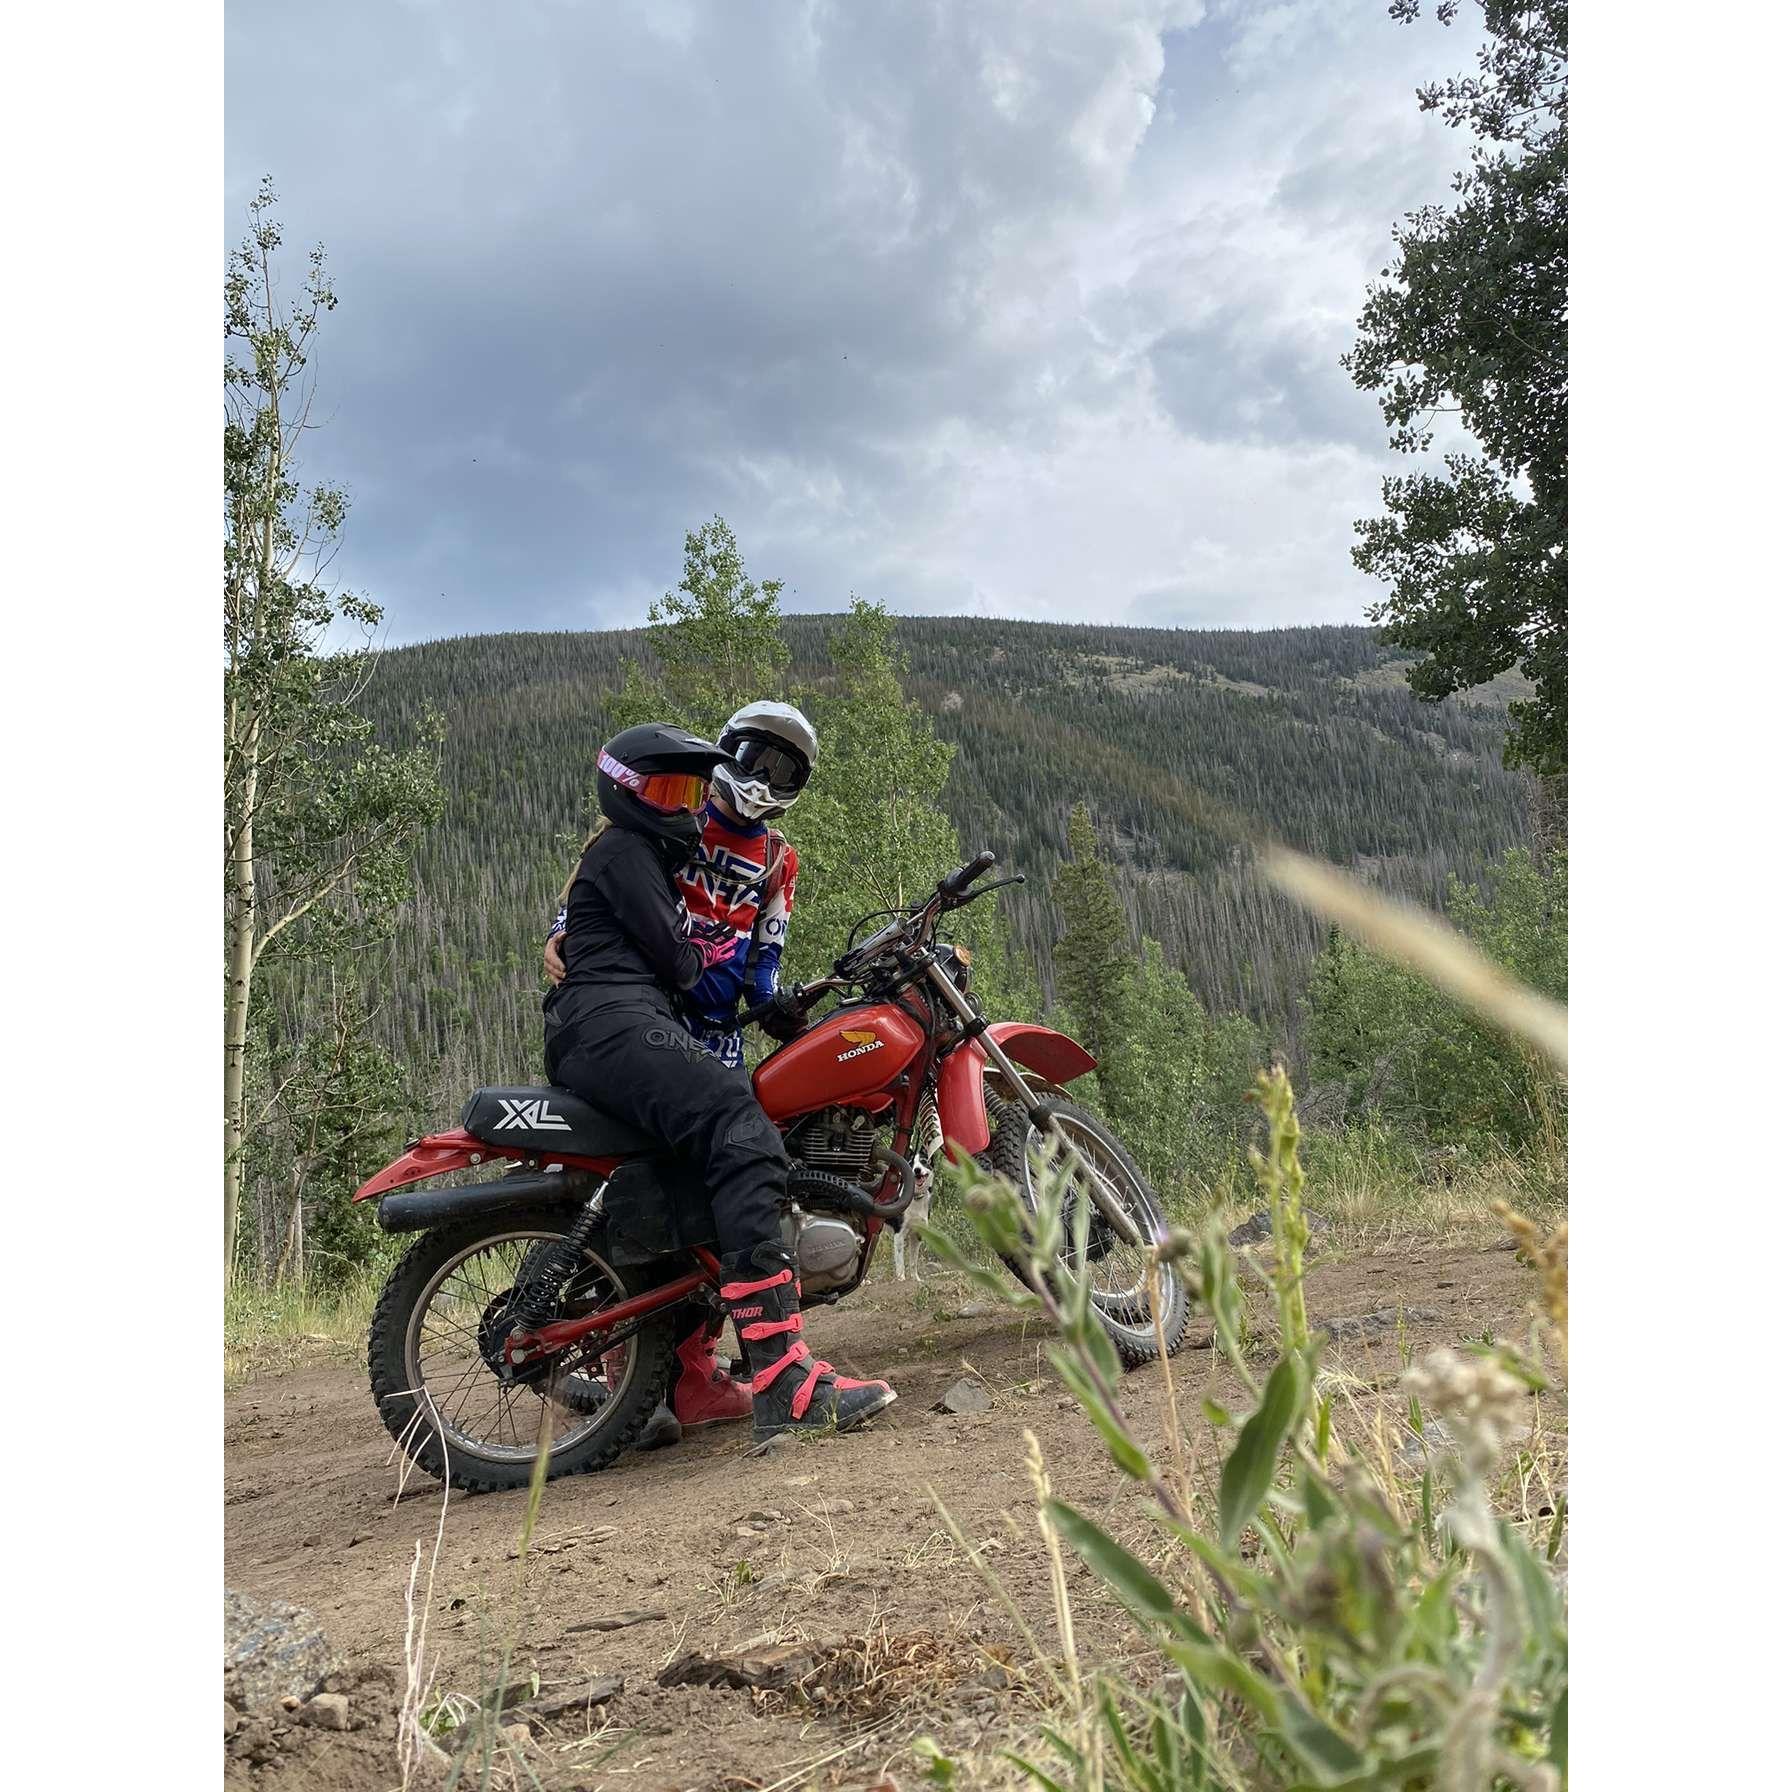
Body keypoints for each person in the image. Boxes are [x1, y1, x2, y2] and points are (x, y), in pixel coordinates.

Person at [543, 720, 896, 1447]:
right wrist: (562, 934)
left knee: (701, 1192)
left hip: (695, 1028)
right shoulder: (663, 833)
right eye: (754, 759)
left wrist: (776, 1001)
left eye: (784, 770)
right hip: (643, 1021)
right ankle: (763, 1378)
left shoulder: (775, 858)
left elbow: (766, 950)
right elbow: (599, 897)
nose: (763, 778)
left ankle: (687, 1375)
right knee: (740, 1147)